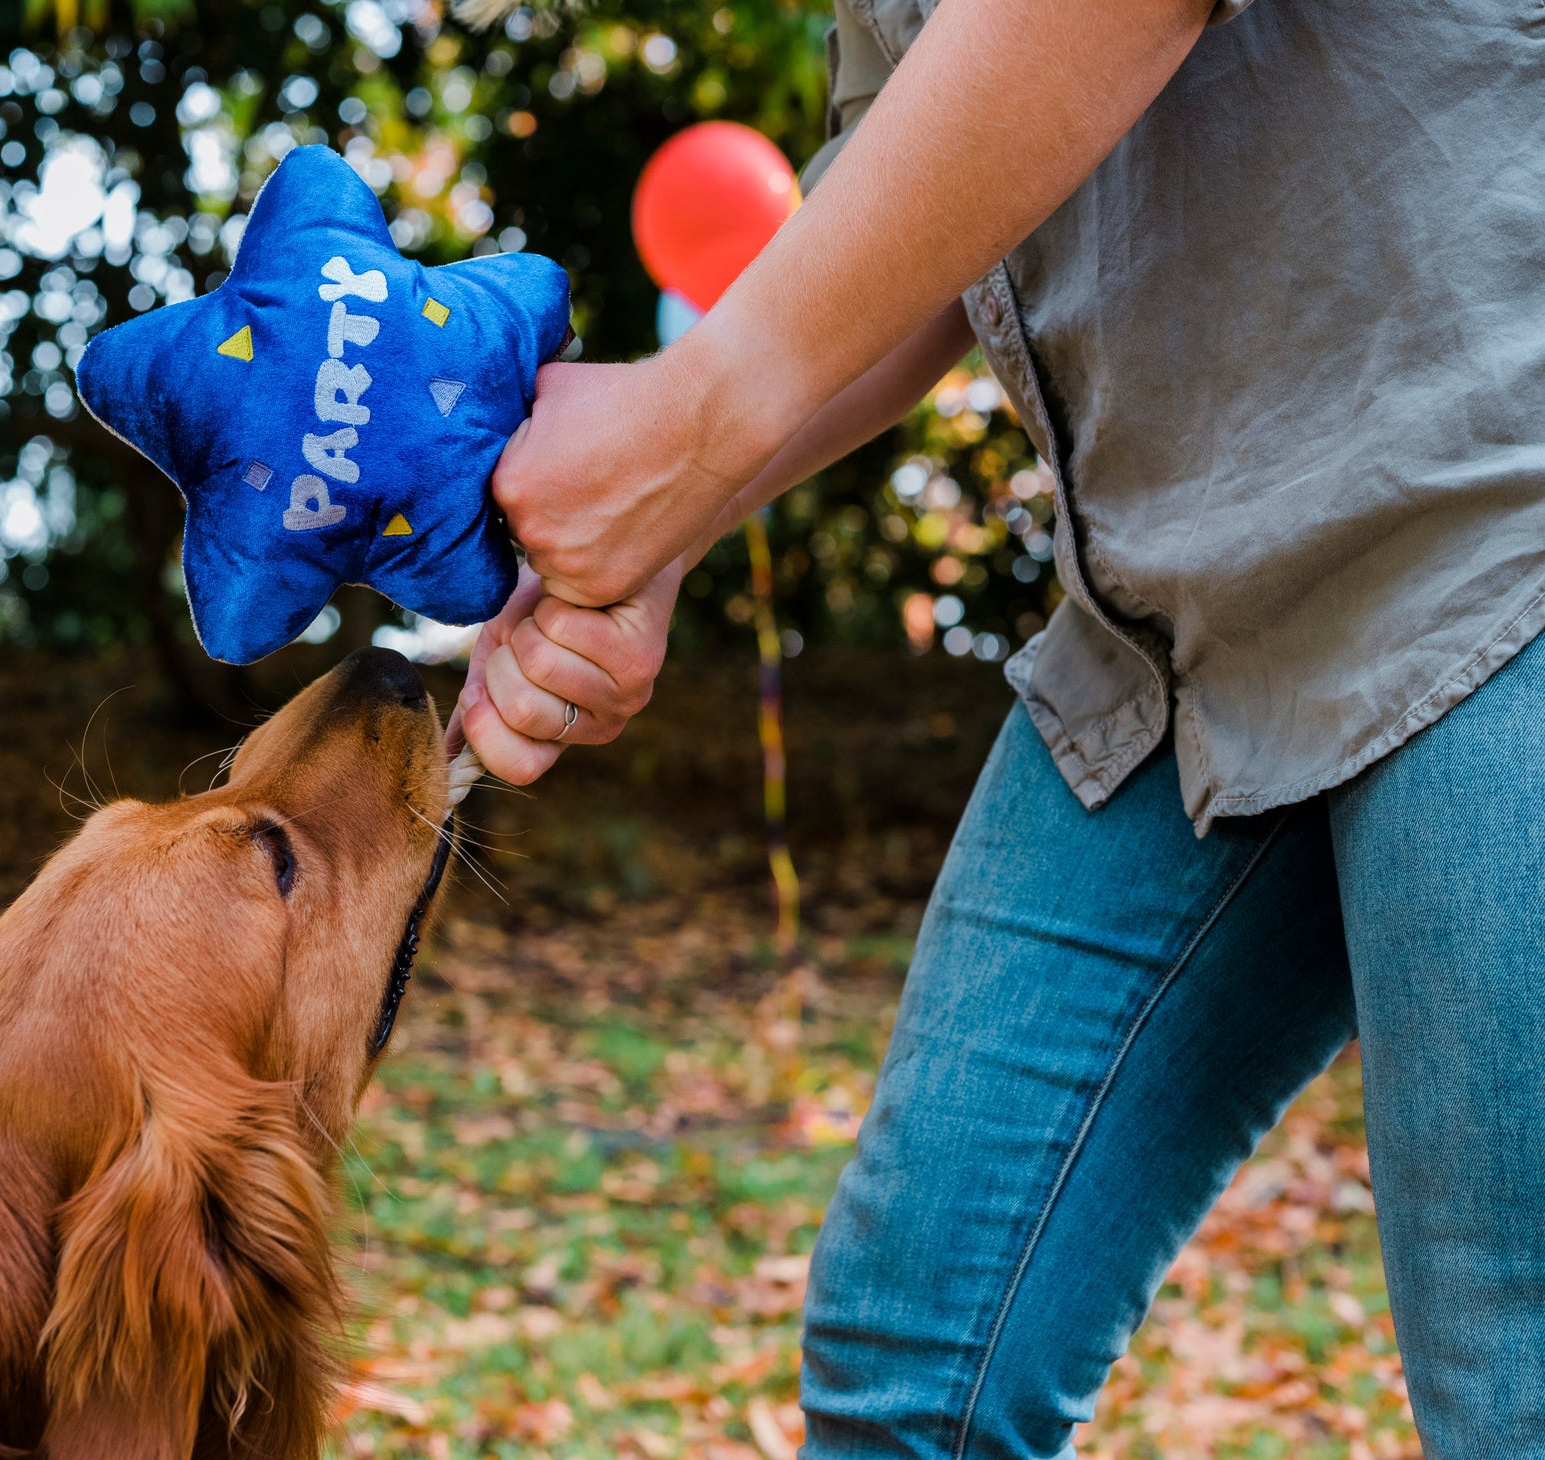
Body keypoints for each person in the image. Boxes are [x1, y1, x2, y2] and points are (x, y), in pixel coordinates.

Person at [446, 0, 1545, 1453]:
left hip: (1491, 523)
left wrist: (687, 426)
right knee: (916, 1377)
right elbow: (916, 187)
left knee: (1513, 1381)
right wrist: (670, 519)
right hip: (1171, 630)